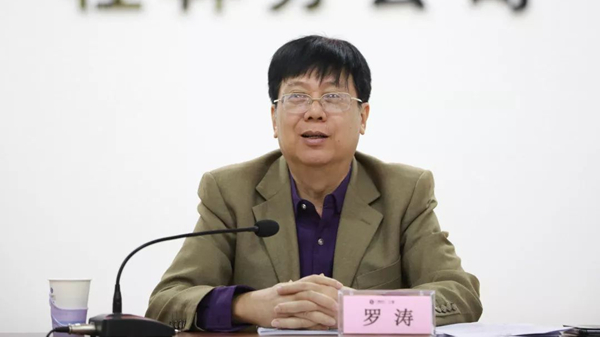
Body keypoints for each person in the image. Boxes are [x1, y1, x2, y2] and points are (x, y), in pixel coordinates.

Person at [145, 35, 482, 331]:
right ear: (274, 118)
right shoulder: (230, 191)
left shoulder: (404, 191)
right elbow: (167, 302)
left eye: (333, 97)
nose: (315, 112)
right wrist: (247, 305)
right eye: (297, 97)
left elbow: (460, 296)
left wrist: (359, 310)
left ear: (362, 117)